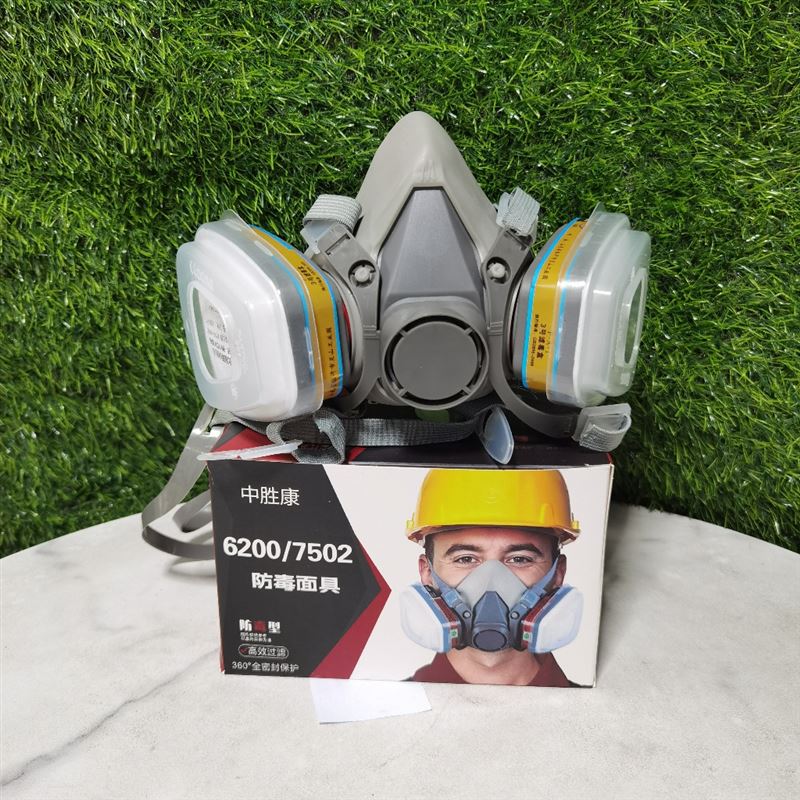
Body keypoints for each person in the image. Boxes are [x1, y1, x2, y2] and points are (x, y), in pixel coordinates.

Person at [400, 469, 583, 687]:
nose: (491, 582)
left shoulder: (593, 706)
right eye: (466, 559)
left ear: (558, 573)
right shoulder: (394, 702)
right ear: (427, 572)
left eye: (519, 559)